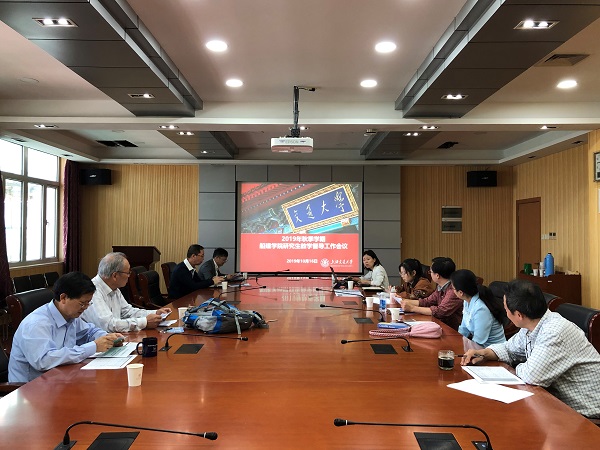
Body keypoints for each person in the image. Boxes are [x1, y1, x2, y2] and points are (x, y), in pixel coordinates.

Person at [461, 279, 600, 418]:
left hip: (586, 414)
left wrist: (516, 367)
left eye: (506, 309)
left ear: (519, 315)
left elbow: (532, 376)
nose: (505, 313)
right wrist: (484, 353)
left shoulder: (554, 332)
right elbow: (509, 348)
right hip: (555, 404)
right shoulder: (532, 324)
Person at [8, 272, 123, 383]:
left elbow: (89, 332)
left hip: (60, 378)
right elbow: (44, 361)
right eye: (82, 303)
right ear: (63, 298)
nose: (85, 307)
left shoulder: (70, 315)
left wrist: (108, 338)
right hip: (30, 388)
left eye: (88, 303)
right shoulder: (36, 324)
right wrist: (94, 347)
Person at [81, 252, 170, 332]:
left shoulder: (114, 287)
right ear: (115, 275)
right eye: (127, 273)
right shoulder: (93, 291)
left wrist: (155, 313)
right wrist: (144, 322)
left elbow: (127, 312)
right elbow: (108, 325)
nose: (129, 276)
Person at [401, 257, 462, 330]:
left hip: (453, 330)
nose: (430, 274)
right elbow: (427, 301)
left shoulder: (453, 290)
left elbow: (440, 311)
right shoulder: (440, 287)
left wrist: (412, 308)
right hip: (442, 325)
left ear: (437, 275)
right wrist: (405, 301)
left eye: (431, 272)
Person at [450, 269, 506, 347]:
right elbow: (464, 329)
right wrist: (456, 343)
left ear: (461, 292)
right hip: (479, 347)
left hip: (492, 350)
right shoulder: (467, 301)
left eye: (453, 288)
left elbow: (478, 341)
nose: (452, 291)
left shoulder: (481, 309)